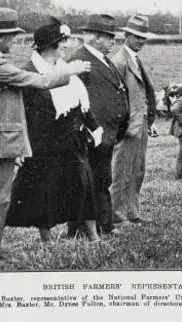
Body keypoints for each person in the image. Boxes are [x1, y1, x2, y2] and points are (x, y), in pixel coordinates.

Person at [0, 7, 90, 266]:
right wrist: (72, 69)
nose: (14, 40)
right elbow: (42, 82)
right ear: (0, 37)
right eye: (12, 35)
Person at [5, 19, 102, 242]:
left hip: (73, 141)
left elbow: (80, 103)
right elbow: (20, 114)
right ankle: (47, 239)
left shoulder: (64, 68)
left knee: (85, 185)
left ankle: (93, 235)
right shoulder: (29, 72)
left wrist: (94, 127)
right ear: (50, 45)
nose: (66, 46)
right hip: (44, 145)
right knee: (44, 192)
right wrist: (20, 145)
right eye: (63, 42)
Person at [66, 13, 129, 237]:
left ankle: (104, 224)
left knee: (101, 179)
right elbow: (72, 98)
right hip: (91, 134)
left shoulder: (102, 58)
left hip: (106, 133)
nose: (113, 41)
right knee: (88, 181)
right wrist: (87, 128)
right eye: (108, 36)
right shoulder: (79, 60)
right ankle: (84, 229)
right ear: (95, 37)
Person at [108, 15, 157, 224]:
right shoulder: (119, 61)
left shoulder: (135, 59)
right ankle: (116, 214)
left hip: (141, 124)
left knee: (137, 170)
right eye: (137, 37)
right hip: (128, 126)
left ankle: (132, 212)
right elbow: (115, 97)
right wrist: (123, 124)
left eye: (143, 38)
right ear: (126, 36)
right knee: (121, 171)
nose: (141, 42)